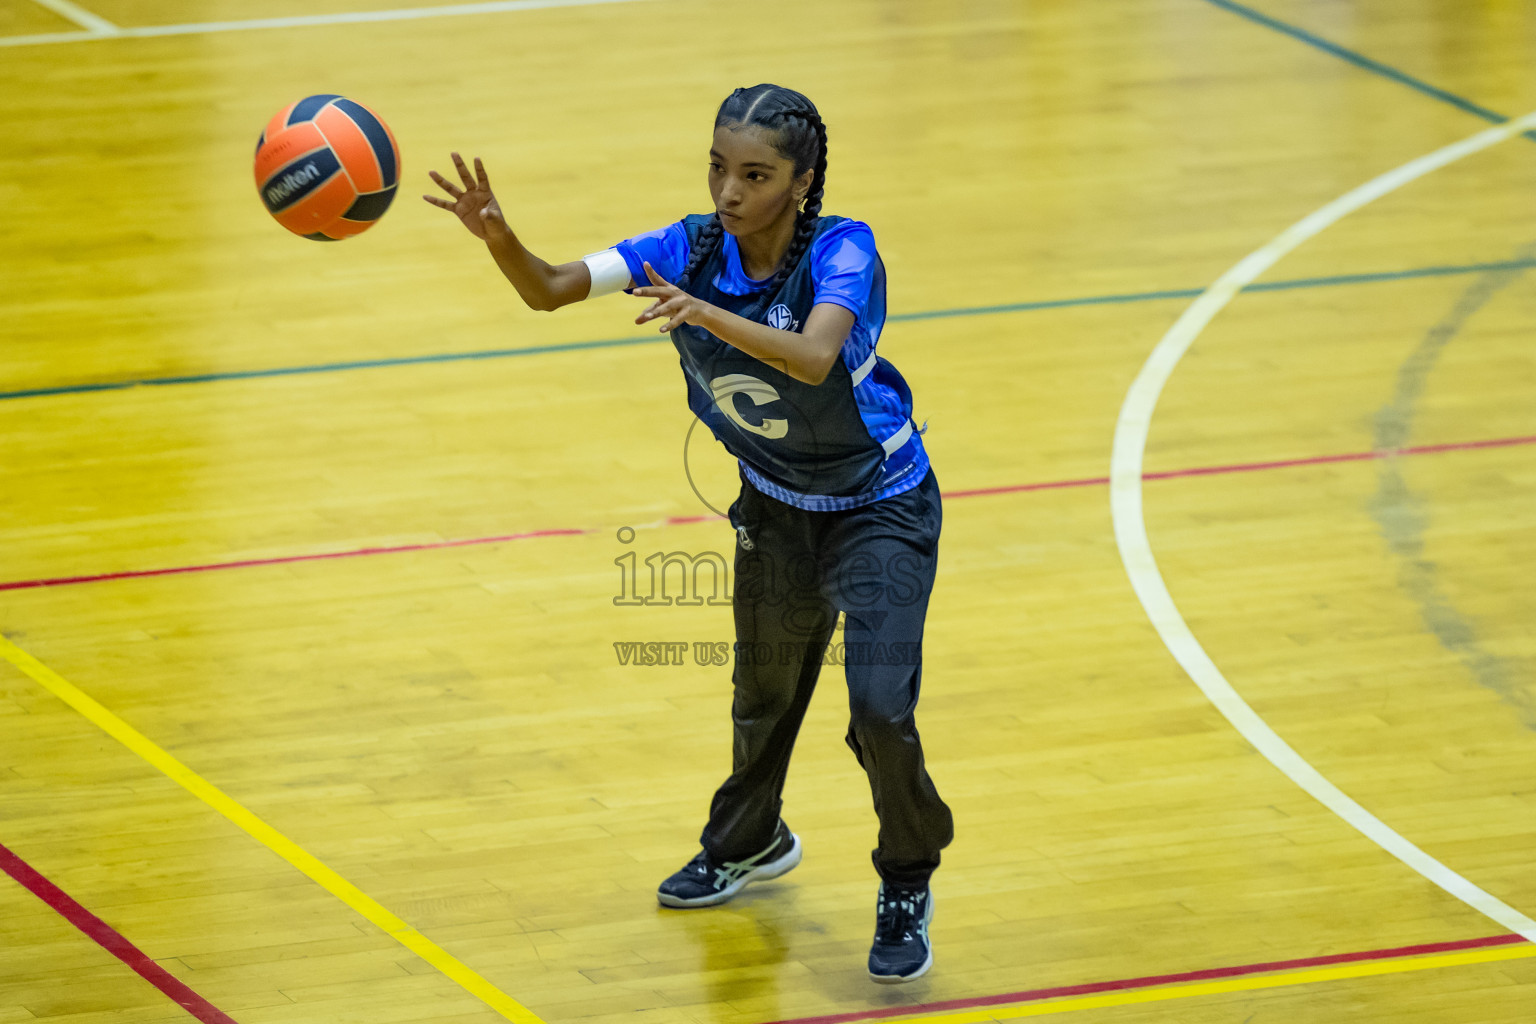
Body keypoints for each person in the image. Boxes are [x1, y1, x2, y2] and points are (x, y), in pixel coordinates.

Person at [424, 83, 952, 984]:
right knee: (762, 697)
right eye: (718, 166)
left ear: (801, 179)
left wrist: (704, 313)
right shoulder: (685, 248)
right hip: (777, 507)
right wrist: (500, 237)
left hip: (880, 509)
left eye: (755, 174)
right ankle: (750, 842)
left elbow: (817, 353)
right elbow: (551, 290)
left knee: (879, 711)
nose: (729, 191)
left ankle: (906, 875)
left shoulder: (841, 249)